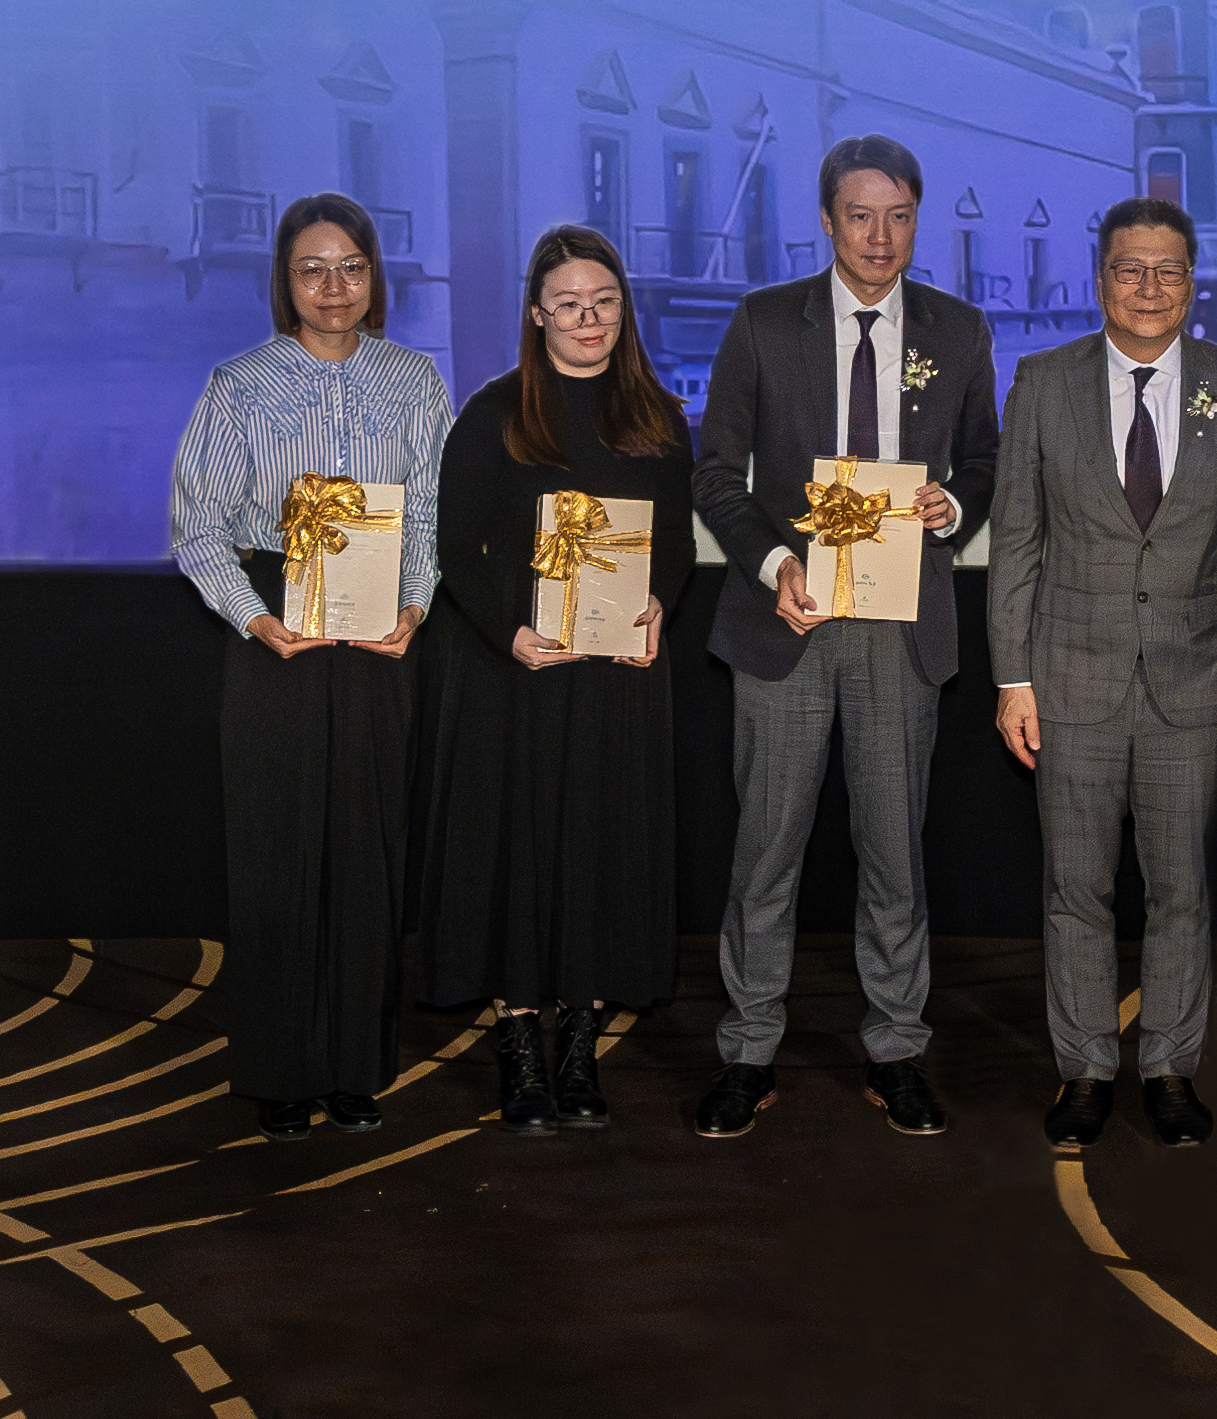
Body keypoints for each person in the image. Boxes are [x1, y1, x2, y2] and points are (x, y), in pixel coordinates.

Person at [691, 134, 998, 1138]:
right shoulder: (763, 322)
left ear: (918, 220)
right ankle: (746, 1050)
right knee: (764, 853)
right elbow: (714, 475)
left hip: (900, 628)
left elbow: (985, 462)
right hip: (789, 622)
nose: (879, 235)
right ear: (824, 220)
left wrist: (953, 506)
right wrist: (774, 565)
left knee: (892, 856)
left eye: (898, 215)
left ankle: (897, 1049)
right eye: (859, 215)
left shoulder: (957, 331)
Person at [988, 197, 1217, 1149]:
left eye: (1167, 271)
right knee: (1075, 889)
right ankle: (1083, 1069)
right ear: (1099, 277)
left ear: (1192, 284)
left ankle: (1168, 1066)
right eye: (1129, 269)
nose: (1148, 287)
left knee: (1180, 888)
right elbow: (1017, 544)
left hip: (1194, 686)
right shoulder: (1041, 381)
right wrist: (1011, 678)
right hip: (1066, 681)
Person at [169, 193, 449, 1141]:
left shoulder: (415, 380)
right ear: (284, 283)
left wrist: (415, 606)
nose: (334, 287)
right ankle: (283, 1069)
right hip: (274, 630)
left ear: (376, 277)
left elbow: (433, 514)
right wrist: (255, 618)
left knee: (367, 850)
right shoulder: (238, 384)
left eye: (352, 267)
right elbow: (196, 526)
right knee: (278, 856)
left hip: (381, 635)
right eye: (312, 270)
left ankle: (355, 1069)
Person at [421, 226, 695, 1133]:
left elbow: (678, 544)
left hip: (616, 677)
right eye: (569, 303)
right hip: (519, 676)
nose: (589, 319)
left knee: (599, 851)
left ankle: (579, 1042)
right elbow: (456, 545)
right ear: (537, 315)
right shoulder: (494, 411)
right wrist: (510, 631)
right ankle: (518, 1043)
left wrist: (658, 601)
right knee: (519, 853)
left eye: (604, 301)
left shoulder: (657, 415)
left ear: (625, 308)